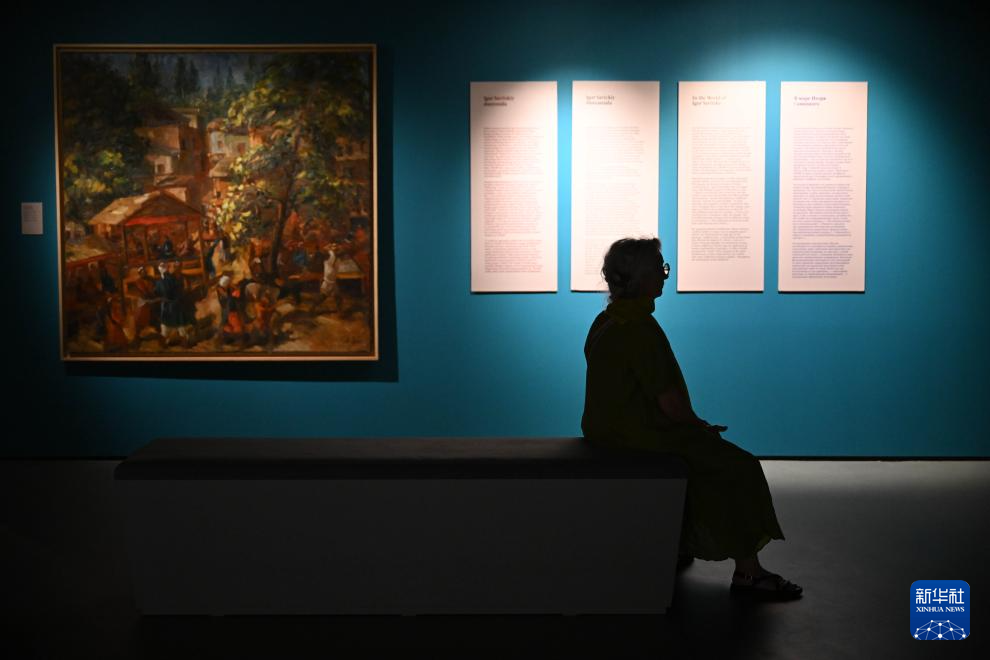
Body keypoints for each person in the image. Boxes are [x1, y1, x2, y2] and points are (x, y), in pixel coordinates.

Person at [581, 237, 802, 600]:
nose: (665, 275)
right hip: (639, 437)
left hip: (605, 432)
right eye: (659, 268)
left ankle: (677, 543)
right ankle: (749, 572)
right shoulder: (640, 329)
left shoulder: (605, 321)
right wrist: (699, 426)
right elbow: (670, 404)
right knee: (739, 467)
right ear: (640, 278)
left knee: (704, 457)